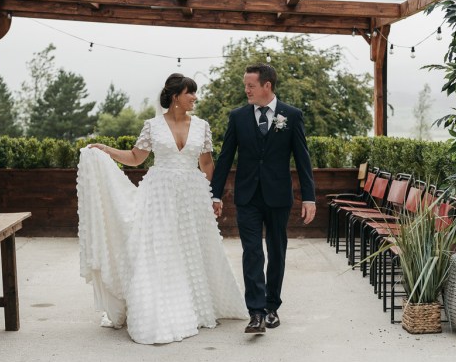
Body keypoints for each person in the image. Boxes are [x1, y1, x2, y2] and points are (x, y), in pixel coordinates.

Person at [77, 73, 248, 345]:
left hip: (192, 194)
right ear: (175, 96)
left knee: (192, 248)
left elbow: (206, 165)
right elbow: (135, 158)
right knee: (161, 250)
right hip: (158, 196)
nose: (194, 97)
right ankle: (161, 305)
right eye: (189, 92)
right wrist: (105, 149)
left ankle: (196, 302)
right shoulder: (153, 126)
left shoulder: (202, 126)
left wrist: (213, 197)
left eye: (194, 92)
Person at [211, 64, 316, 334]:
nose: (246, 90)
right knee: (252, 252)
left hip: (278, 196)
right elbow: (225, 158)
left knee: (277, 251)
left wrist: (309, 198)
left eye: (251, 85)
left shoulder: (291, 115)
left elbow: (303, 159)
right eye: (246, 85)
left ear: (267, 86)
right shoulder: (238, 117)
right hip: (247, 196)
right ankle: (255, 313)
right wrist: (214, 194)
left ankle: (272, 307)